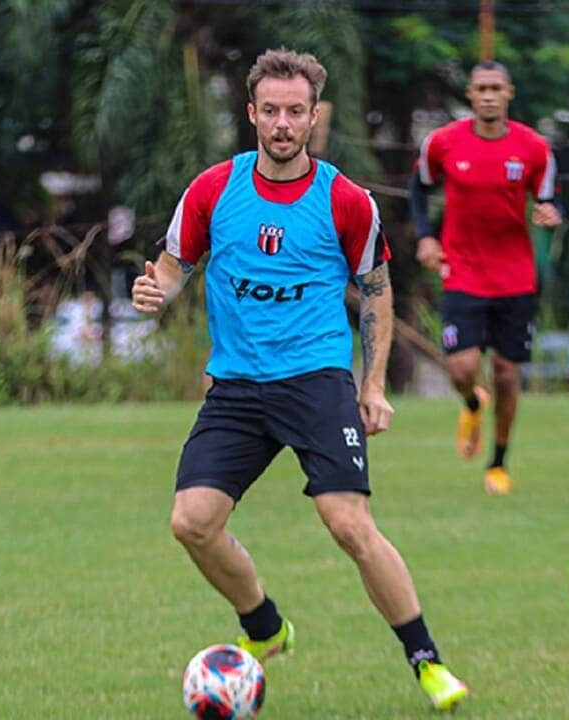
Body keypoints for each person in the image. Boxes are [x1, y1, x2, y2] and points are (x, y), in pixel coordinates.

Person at [132, 48, 468, 711]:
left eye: (296, 112)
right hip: (234, 386)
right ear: (252, 113)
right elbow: (175, 263)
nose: (283, 123)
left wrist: (370, 387)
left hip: (316, 380)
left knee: (348, 525)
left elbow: (375, 292)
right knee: (191, 521)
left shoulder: (345, 201)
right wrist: (158, 290)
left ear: (314, 117)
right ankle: (264, 625)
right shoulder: (212, 190)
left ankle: (426, 660)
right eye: (272, 111)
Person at [409, 60, 561, 495]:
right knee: (462, 366)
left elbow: (549, 200)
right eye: (481, 88)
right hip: (462, 270)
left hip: (515, 277)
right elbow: (419, 188)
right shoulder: (443, 144)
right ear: (470, 96)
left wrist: (549, 214)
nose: (489, 95)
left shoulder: (533, 148)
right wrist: (425, 238)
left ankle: (497, 463)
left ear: (509, 92)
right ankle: (473, 402)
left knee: (508, 374)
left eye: (497, 87)